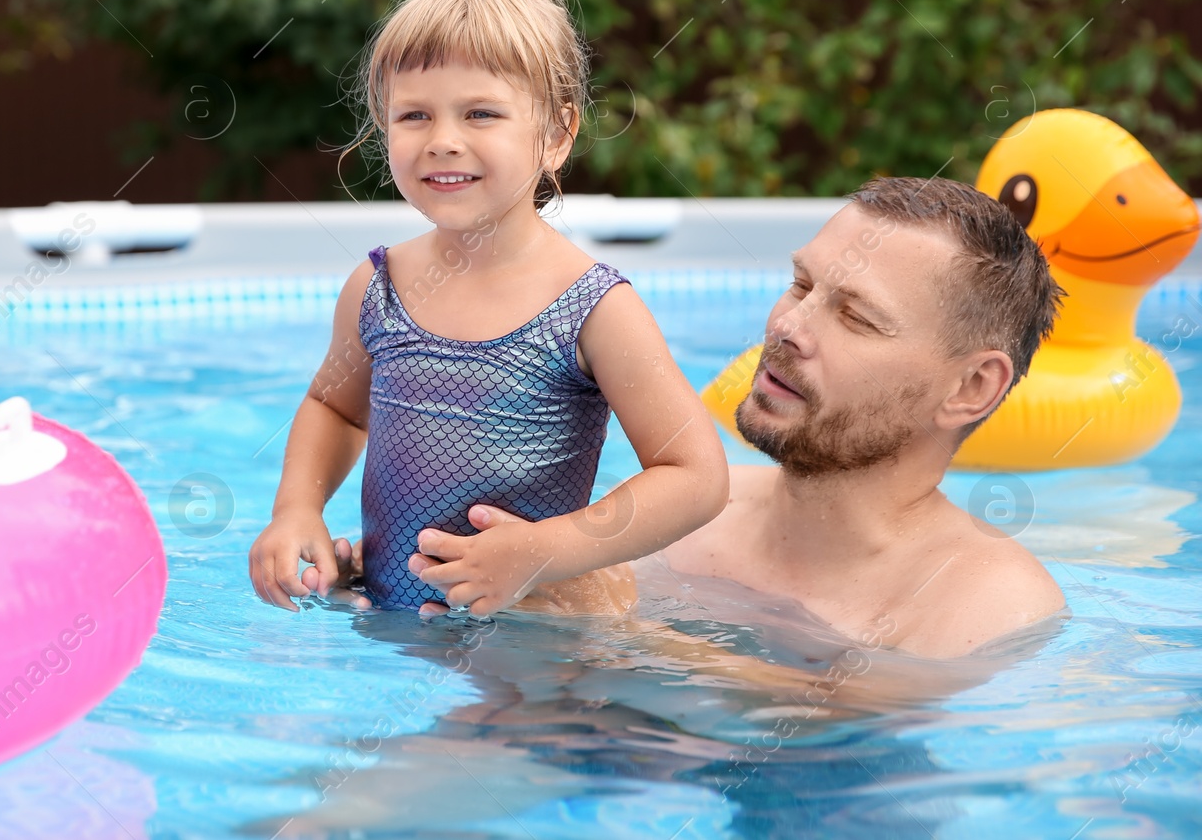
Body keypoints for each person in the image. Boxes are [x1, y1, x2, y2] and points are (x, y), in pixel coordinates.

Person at [316, 176, 1070, 658]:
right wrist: (406, 580)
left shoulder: (986, 602)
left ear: (972, 387)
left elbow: (855, 728)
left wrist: (626, 634)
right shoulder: (682, 513)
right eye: (801, 284)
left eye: (857, 317)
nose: (789, 326)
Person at [248, 0, 730, 614]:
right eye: (414, 115)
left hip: (531, 648)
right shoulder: (376, 287)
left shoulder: (592, 309)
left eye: (480, 113)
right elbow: (334, 408)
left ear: (557, 135)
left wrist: (545, 550)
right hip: (391, 623)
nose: (443, 140)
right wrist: (296, 507)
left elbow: (695, 477)